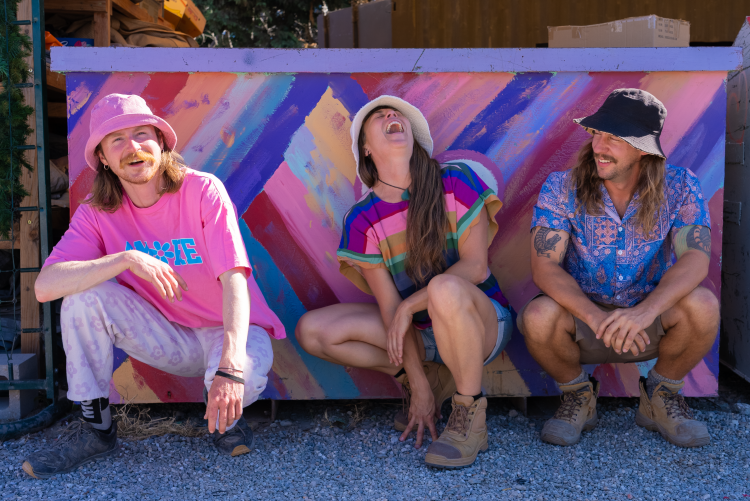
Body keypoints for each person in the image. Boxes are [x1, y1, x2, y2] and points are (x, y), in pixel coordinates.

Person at [23, 94, 285, 479]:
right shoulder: (96, 213)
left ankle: (225, 413)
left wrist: (229, 368)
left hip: (231, 333)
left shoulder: (202, 191)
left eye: (142, 134)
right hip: (168, 337)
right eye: (117, 140)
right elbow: (45, 287)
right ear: (103, 159)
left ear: (161, 143)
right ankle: (96, 430)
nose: (133, 147)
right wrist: (125, 259)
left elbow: (234, 279)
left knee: (239, 380)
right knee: (81, 298)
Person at [296, 95, 512, 469]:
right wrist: (419, 386)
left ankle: (468, 415)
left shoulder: (455, 180)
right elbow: (390, 309)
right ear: (366, 148)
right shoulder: (362, 219)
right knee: (312, 331)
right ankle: (427, 379)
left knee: (444, 288)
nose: (391, 115)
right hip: (423, 334)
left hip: (482, 324)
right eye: (378, 116)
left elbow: (476, 267)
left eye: (396, 114)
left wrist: (411, 305)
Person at [519, 88, 719, 448]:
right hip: (583, 319)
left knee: (703, 306)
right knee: (537, 317)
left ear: (643, 148)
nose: (599, 146)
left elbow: (695, 258)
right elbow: (544, 267)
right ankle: (578, 397)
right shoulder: (561, 187)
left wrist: (646, 312)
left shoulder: (681, 186)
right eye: (597, 133)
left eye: (614, 137)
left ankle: (660, 396)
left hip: (649, 321)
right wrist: (596, 318)